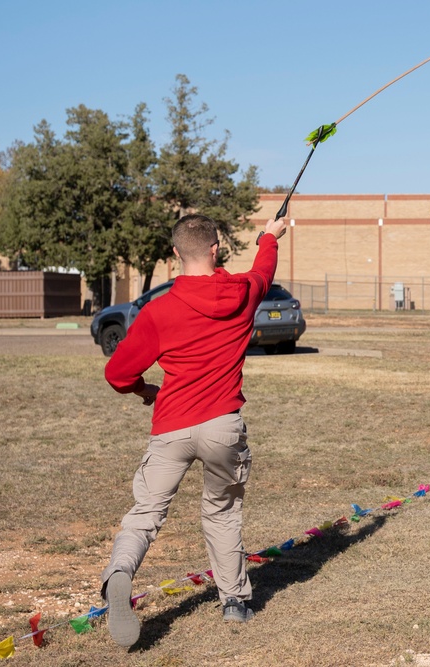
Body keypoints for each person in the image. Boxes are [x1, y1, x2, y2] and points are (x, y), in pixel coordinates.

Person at [100, 214, 287, 647]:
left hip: (172, 427)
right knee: (222, 513)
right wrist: (269, 238)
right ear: (216, 249)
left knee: (145, 515)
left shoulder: (158, 309)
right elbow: (263, 270)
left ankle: (121, 573)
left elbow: (116, 372)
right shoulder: (243, 292)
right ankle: (235, 602)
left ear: (174, 255)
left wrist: (145, 388)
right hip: (223, 426)